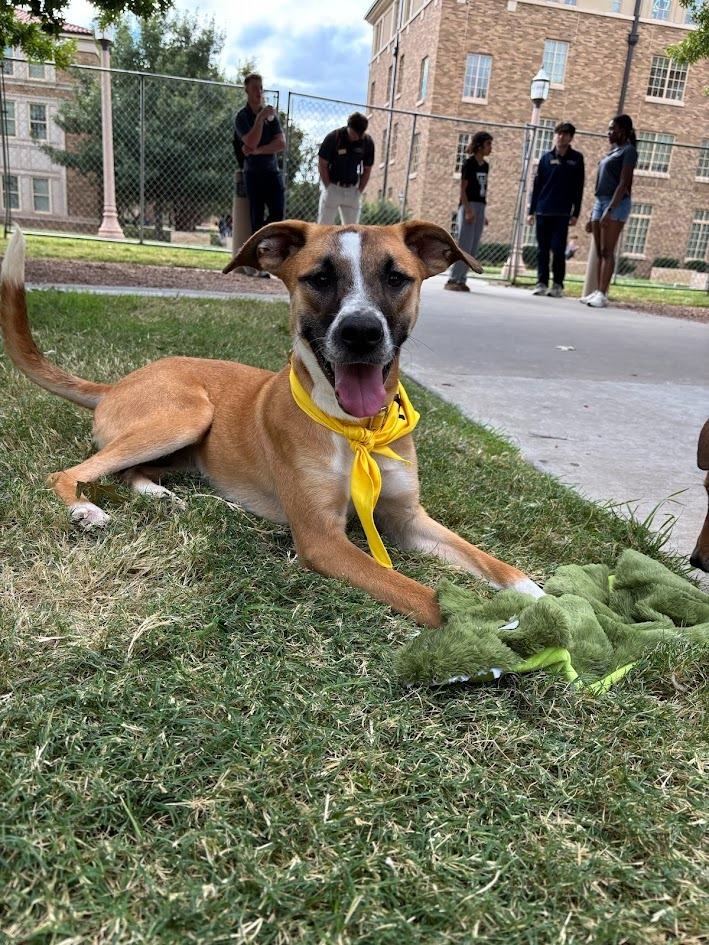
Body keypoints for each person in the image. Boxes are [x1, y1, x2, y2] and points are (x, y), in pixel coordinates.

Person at [581, 114, 638, 309]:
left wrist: (610, 209)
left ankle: (603, 294)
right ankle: (596, 291)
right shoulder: (612, 151)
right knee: (599, 250)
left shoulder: (629, 151)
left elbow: (624, 183)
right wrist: (593, 214)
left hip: (617, 203)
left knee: (608, 251)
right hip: (600, 201)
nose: (609, 132)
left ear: (623, 130)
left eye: (612, 129)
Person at [527, 121, 585, 298]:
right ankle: (541, 282)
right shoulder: (545, 158)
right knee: (542, 249)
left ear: (570, 137)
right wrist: (531, 211)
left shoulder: (576, 159)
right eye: (559, 133)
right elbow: (537, 186)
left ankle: (558, 284)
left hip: (562, 212)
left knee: (558, 250)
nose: (561, 137)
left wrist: (575, 213)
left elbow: (579, 187)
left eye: (565, 134)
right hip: (543, 211)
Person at [233, 73, 286, 236]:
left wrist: (258, 151)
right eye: (255, 87)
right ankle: (258, 252)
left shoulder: (270, 115)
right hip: (254, 173)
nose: (259, 91)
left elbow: (281, 143)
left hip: (272, 171)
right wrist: (259, 119)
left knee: (278, 214)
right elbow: (251, 141)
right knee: (256, 217)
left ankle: (267, 241)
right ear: (247, 90)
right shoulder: (241, 117)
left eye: (261, 88)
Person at [445, 131, 492, 292]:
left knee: (473, 247)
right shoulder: (469, 163)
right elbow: (463, 189)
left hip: (480, 205)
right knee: (464, 245)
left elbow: (483, 189)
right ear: (479, 146)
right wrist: (468, 210)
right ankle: (453, 279)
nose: (490, 148)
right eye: (488, 144)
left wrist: (482, 214)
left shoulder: (485, 165)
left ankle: (462, 279)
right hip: (468, 205)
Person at [317, 113, 375, 224]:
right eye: (354, 133)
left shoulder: (367, 142)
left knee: (352, 229)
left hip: (352, 190)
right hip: (333, 187)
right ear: (348, 126)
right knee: (324, 226)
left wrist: (359, 191)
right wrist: (328, 186)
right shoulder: (334, 138)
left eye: (360, 134)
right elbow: (322, 162)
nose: (357, 137)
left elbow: (367, 169)